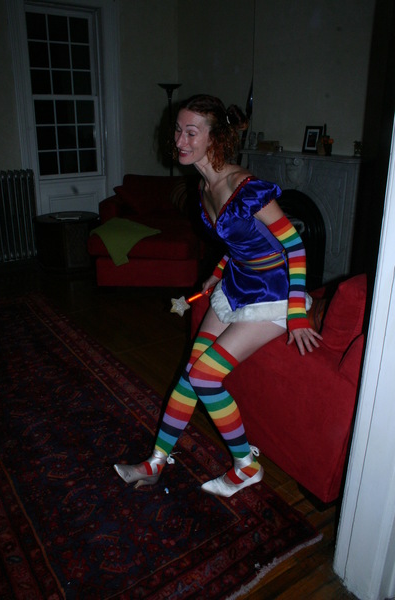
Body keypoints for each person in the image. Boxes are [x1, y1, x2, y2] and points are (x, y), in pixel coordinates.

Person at [114, 94, 322, 497]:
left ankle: (247, 466)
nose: (180, 140)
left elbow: (294, 247)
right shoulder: (202, 186)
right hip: (236, 284)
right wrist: (217, 271)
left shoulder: (245, 188)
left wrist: (297, 312)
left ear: (215, 139)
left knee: (205, 376)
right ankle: (156, 461)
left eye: (191, 132)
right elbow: (240, 241)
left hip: (274, 292)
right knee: (189, 374)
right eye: (178, 130)